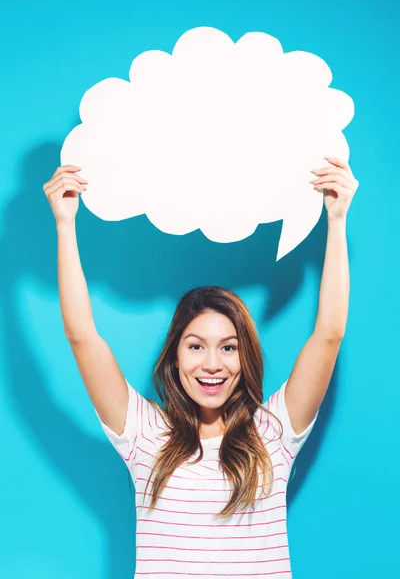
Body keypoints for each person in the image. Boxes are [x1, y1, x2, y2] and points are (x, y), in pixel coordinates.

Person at [43, 157, 358, 578]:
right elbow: (82, 335)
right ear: (175, 356)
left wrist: (335, 222)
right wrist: (65, 225)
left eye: (228, 348)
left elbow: (329, 335)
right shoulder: (144, 436)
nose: (213, 364)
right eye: (196, 346)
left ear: (244, 357)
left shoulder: (276, 432)